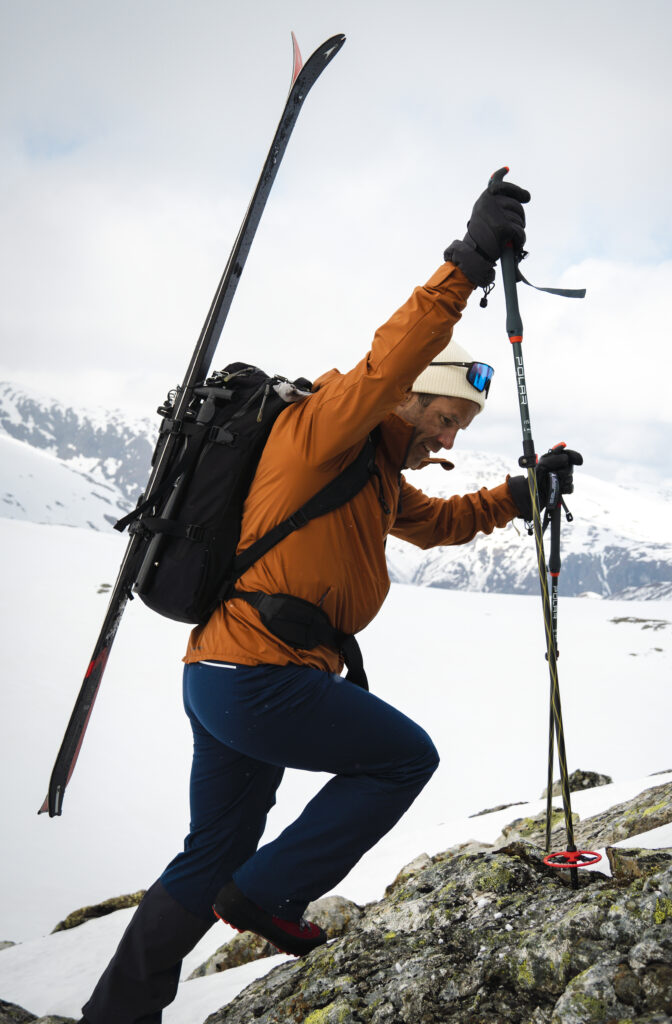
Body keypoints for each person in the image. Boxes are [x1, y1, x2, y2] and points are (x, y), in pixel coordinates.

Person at [80, 170, 581, 1024]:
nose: (448, 435)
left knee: (212, 851)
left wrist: (518, 498)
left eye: (460, 426)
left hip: (227, 675)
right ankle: (268, 897)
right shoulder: (328, 427)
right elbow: (392, 351)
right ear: (411, 395)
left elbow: (436, 525)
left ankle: (116, 1014)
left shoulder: (373, 471)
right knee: (400, 758)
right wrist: (464, 262)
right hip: (261, 672)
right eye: (445, 415)